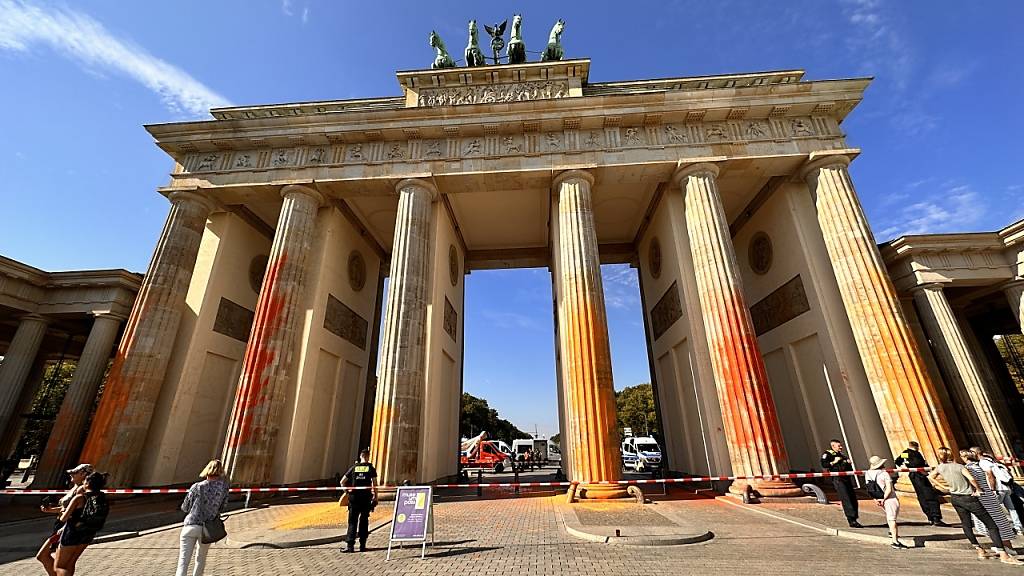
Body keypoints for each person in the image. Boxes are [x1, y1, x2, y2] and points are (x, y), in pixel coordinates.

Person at [929, 447, 1017, 563]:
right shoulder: (963, 467)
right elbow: (972, 479)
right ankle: (1003, 552)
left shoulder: (942, 467)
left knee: (968, 524)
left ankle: (982, 550)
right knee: (992, 524)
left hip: (958, 498)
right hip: (973, 497)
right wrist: (979, 489)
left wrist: (944, 487)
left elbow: (930, 477)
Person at [963, 449, 1020, 559]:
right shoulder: (984, 462)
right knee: (999, 519)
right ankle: (1007, 546)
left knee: (991, 522)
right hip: (989, 494)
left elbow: (989, 475)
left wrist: (992, 489)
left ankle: (1005, 547)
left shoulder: (973, 466)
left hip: (984, 496)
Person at [176, 459, 230, 576]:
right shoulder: (224, 488)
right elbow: (223, 507)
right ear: (221, 471)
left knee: (183, 561)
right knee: (200, 560)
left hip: (191, 525)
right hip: (208, 528)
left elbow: (185, 507)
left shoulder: (197, 486)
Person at [37, 463, 92, 576]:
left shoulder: (82, 489)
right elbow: (67, 508)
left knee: (51, 559)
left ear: (83, 475)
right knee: (63, 563)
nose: (71, 474)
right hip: (64, 524)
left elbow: (76, 511)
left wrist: (64, 526)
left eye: (74, 472)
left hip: (67, 526)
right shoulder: (76, 487)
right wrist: (50, 510)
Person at [54, 471, 109, 576]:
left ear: (88, 483)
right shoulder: (101, 498)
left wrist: (59, 522)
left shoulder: (79, 498)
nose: (83, 482)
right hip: (89, 532)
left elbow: (64, 518)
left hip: (72, 533)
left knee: (60, 567)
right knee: (71, 563)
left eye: (84, 480)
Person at [894, 441, 946, 526]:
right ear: (916, 447)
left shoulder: (906, 453)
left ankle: (930, 517)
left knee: (921, 495)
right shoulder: (913, 453)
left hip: (914, 474)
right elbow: (915, 463)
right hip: (919, 474)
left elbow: (898, 461)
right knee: (929, 494)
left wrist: (905, 466)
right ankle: (935, 517)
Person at [976, 448, 1022, 535]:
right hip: (1005, 487)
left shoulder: (983, 462)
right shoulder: (993, 461)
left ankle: (999, 529)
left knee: (991, 509)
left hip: (997, 488)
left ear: (977, 453)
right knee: (1011, 509)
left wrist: (992, 489)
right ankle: (1018, 527)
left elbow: (990, 475)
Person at [864, 456, 907, 549]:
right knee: (892, 520)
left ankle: (892, 533)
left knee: (889, 517)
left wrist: (876, 499)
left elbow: (869, 487)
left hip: (878, 497)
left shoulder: (868, 473)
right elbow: (889, 489)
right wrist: (884, 498)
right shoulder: (884, 474)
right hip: (889, 498)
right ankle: (895, 541)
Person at [340, 449, 378, 553]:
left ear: (360, 456)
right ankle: (362, 545)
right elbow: (375, 484)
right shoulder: (371, 468)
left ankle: (350, 545)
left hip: (354, 498)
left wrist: (347, 492)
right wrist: (376, 497)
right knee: (364, 520)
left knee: (352, 521)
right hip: (366, 498)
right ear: (368, 456)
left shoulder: (354, 468)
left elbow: (342, 481)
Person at [821, 439, 861, 528]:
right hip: (838, 479)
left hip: (846, 478)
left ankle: (854, 516)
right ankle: (851, 520)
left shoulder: (842, 456)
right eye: (839, 446)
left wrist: (848, 462)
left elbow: (848, 468)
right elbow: (824, 464)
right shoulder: (828, 454)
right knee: (846, 498)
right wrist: (834, 462)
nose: (841, 447)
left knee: (852, 497)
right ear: (833, 446)